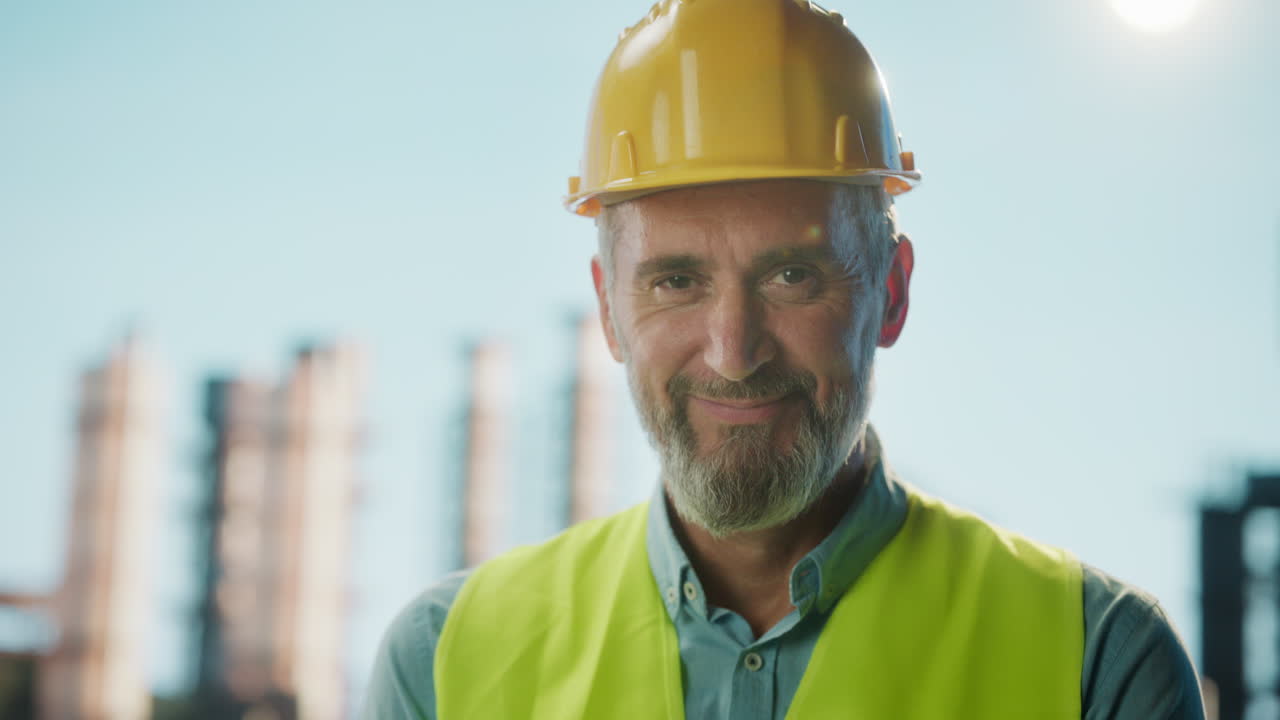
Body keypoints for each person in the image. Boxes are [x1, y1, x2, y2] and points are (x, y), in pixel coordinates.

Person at [363, 0, 1205, 717]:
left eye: (794, 275)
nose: (733, 355)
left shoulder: (1097, 662)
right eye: (677, 280)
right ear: (609, 313)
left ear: (892, 293)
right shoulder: (443, 668)